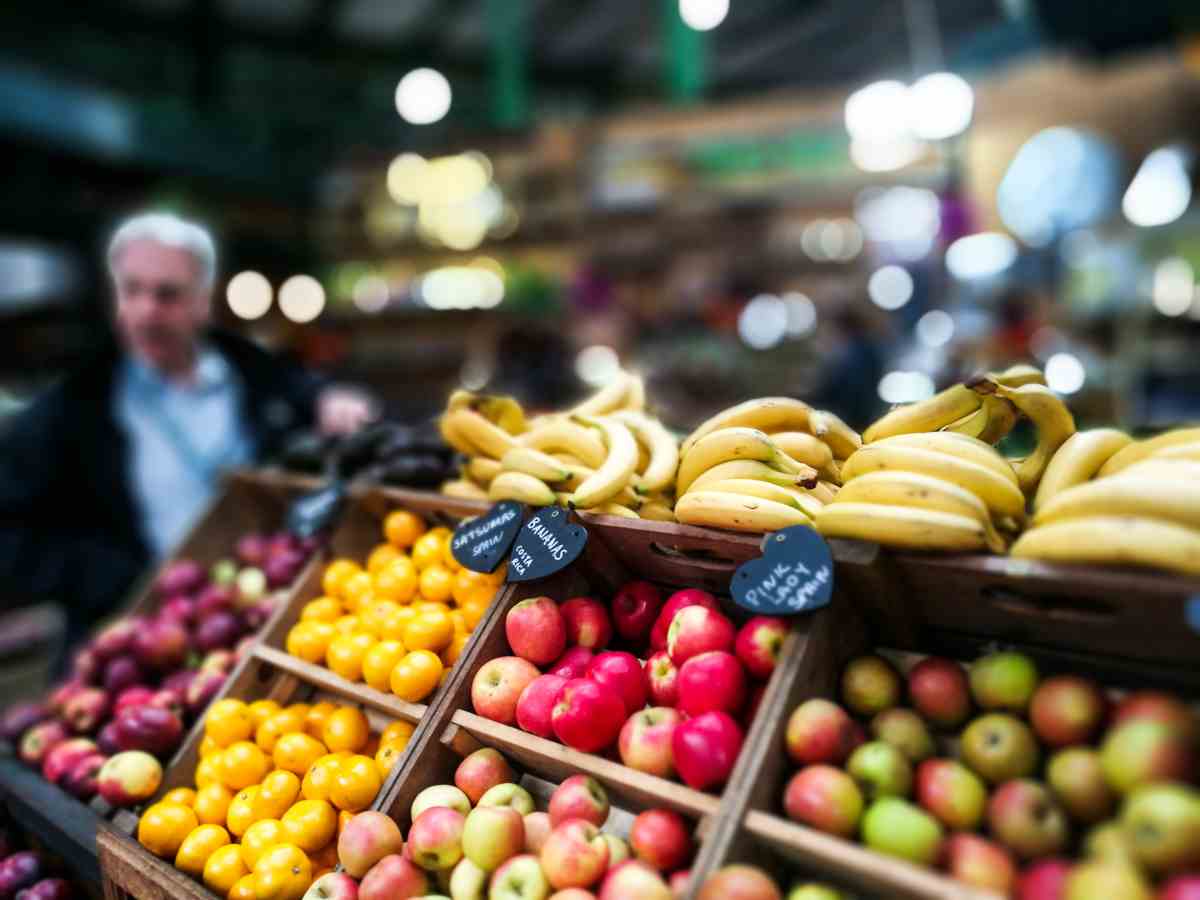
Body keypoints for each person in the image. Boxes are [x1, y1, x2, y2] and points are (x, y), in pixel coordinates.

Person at [0, 212, 373, 643]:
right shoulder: (73, 408)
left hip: (263, 614)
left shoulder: (254, 374)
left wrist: (331, 398)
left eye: (168, 294)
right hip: (137, 636)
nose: (146, 311)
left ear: (203, 300)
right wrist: (109, 579)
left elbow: (306, 394)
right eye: (131, 290)